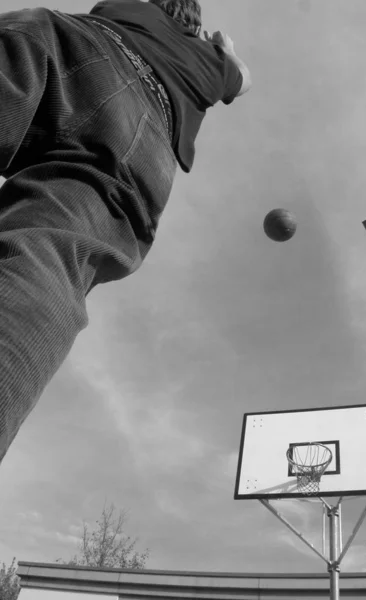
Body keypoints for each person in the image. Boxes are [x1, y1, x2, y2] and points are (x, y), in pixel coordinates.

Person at [0, 0, 252, 464]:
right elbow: (244, 77)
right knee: (51, 251)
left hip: (70, 42)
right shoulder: (212, 62)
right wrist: (222, 48)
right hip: (144, 130)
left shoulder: (126, 7)